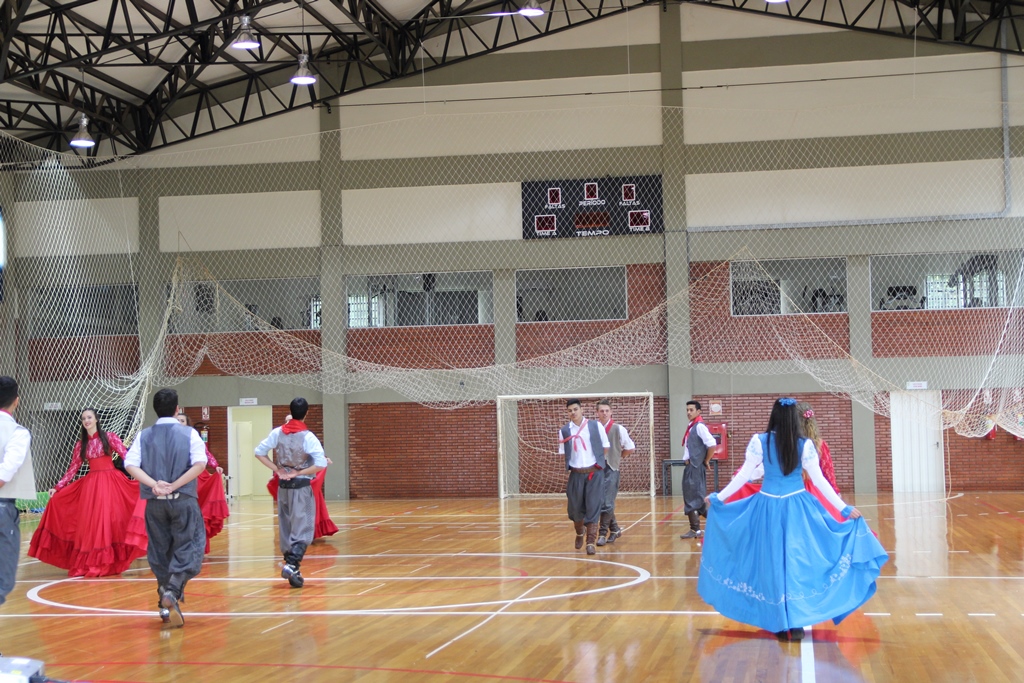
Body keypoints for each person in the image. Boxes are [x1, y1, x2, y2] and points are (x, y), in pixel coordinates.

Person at [697, 398, 888, 642]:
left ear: (774, 416)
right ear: (794, 419)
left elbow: (744, 475)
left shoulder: (760, 441)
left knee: (772, 565)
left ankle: (779, 621)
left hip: (767, 509)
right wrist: (843, 509)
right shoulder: (804, 445)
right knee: (796, 564)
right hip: (798, 508)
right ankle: (794, 622)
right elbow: (819, 480)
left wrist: (720, 497)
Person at [124, 388, 208, 629]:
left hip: (154, 503)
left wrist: (154, 485)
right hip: (183, 500)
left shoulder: (143, 435)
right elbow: (200, 464)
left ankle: (164, 601)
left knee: (160, 551)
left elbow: (130, 464)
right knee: (191, 545)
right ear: (177, 409)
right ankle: (172, 590)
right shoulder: (189, 433)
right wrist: (174, 485)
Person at [29, 408, 148, 577]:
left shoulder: (110, 437)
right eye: (84, 418)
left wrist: (143, 474)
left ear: (96, 419)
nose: (86, 420)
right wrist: (58, 487)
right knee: (92, 523)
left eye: (89, 417)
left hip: (110, 483)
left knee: (108, 520)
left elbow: (127, 457)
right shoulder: (81, 444)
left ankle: (110, 562)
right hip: (91, 486)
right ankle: (94, 563)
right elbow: (73, 469)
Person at [255, 398, 327, 588]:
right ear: (306, 413)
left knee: (286, 528)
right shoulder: (308, 436)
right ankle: (293, 564)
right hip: (300, 487)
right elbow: (321, 463)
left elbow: (259, 452)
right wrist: (300, 472)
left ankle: (293, 569)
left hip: (283, 487)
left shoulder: (277, 433)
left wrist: (276, 469)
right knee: (304, 528)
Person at [266, 416, 338, 541]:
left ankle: (304, 536)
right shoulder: (281, 437)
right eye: (287, 421)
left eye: (290, 420)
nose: (288, 423)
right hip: (288, 480)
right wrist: (276, 474)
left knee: (305, 508)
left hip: (304, 481)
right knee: (290, 510)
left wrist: (324, 459)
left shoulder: (305, 437)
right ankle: (295, 537)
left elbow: (314, 456)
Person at [0, 377, 35, 618]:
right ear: (17, 401)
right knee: (3, 578)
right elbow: (6, 472)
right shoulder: (17, 432)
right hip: (3, 506)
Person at [558, 398, 609, 555]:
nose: (573, 412)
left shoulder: (595, 426)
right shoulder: (565, 430)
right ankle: (580, 532)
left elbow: (605, 447)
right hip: (576, 474)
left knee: (593, 506)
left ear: (581, 410)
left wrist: (596, 462)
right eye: (570, 411)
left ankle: (590, 542)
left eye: (575, 409)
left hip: (594, 473)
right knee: (574, 509)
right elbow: (563, 453)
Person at [176, 413, 230, 552]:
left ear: (187, 423)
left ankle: (197, 544)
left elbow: (206, 453)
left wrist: (215, 465)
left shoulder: (193, 437)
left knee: (198, 510)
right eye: (177, 420)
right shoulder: (169, 437)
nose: (179, 422)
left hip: (196, 476)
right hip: (176, 476)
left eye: (182, 420)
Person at [594, 399, 635, 546]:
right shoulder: (594, 428)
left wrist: (618, 456)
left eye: (607, 411)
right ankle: (615, 529)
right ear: (597, 413)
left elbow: (630, 448)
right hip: (597, 469)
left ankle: (602, 533)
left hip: (611, 469)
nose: (604, 413)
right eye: (601, 411)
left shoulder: (618, 429)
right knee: (599, 501)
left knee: (607, 502)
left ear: (611, 412)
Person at [680, 400, 717, 539]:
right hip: (692, 466)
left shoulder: (699, 426)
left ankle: (695, 530)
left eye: (691, 410)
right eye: (687, 410)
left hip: (694, 466)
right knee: (699, 501)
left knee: (691, 498)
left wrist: (706, 460)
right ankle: (720, 521)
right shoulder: (692, 426)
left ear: (699, 411)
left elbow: (712, 444)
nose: (688, 412)